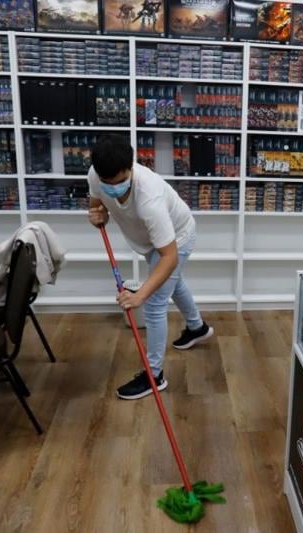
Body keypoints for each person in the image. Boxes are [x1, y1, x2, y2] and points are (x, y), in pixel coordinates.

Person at [87, 134, 213, 400]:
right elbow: (97, 201)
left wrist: (140, 295)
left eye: (121, 182)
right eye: (108, 183)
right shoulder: (96, 176)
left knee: (155, 303)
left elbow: (170, 257)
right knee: (173, 283)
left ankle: (154, 376)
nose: (114, 187)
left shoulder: (149, 197)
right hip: (150, 240)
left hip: (178, 237)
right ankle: (197, 327)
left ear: (131, 167)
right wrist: (98, 214)